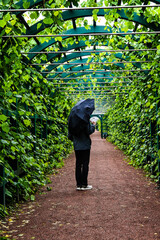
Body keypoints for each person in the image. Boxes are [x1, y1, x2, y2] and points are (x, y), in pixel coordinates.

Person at [68, 120, 96, 191]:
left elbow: (69, 136)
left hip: (77, 146)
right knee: (85, 164)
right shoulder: (85, 121)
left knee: (78, 164)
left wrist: (76, 140)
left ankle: (78, 185)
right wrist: (93, 125)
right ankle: (84, 184)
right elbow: (89, 131)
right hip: (85, 146)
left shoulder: (72, 122)